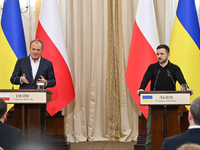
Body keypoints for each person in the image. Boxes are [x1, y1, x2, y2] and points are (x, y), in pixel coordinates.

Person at [136, 44, 193, 150]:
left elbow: (182, 82)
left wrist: (187, 88)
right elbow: (144, 81)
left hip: (171, 106)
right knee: (150, 133)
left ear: (168, 55)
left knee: (172, 131)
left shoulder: (174, 68)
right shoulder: (152, 68)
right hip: (154, 106)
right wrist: (141, 89)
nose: (159, 56)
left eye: (162, 54)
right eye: (157, 54)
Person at [10, 39, 56, 139]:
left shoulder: (47, 64)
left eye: (38, 50)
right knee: (22, 125)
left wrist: (46, 82)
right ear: (30, 49)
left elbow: (53, 81)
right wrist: (21, 79)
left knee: (38, 127)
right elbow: (12, 79)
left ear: (42, 50)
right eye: (33, 49)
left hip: (39, 102)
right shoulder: (21, 62)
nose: (35, 52)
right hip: (22, 101)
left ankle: (38, 145)